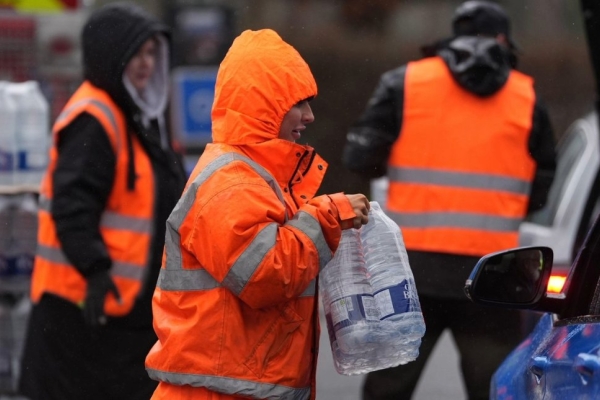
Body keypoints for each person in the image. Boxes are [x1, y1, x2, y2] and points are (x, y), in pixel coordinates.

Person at [342, 1, 557, 399]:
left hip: (410, 270)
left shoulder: (404, 82)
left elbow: (359, 156)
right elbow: (544, 176)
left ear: (453, 35)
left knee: (390, 385)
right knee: (495, 387)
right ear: (502, 40)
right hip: (491, 273)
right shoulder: (525, 96)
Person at [144, 28, 370, 400]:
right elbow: (266, 275)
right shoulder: (232, 181)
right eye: (298, 103)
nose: (310, 116)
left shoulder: (252, 177)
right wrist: (328, 215)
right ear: (265, 106)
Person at [19, 3, 187, 400]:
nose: (146, 63)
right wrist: (94, 268)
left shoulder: (136, 116)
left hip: (117, 312)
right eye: (136, 53)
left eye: (151, 53)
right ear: (112, 54)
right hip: (83, 311)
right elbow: (72, 205)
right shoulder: (96, 117)